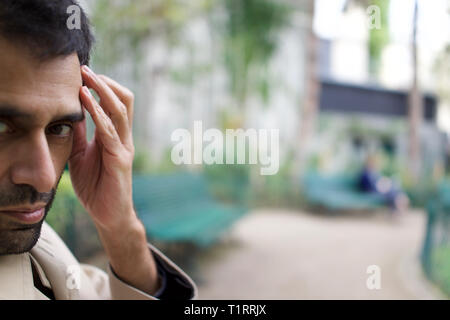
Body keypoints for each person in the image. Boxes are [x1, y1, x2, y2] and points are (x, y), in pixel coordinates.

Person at [0, 0, 196, 299]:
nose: (45, 176)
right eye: (2, 127)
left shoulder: (43, 251)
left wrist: (120, 227)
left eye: (59, 128)